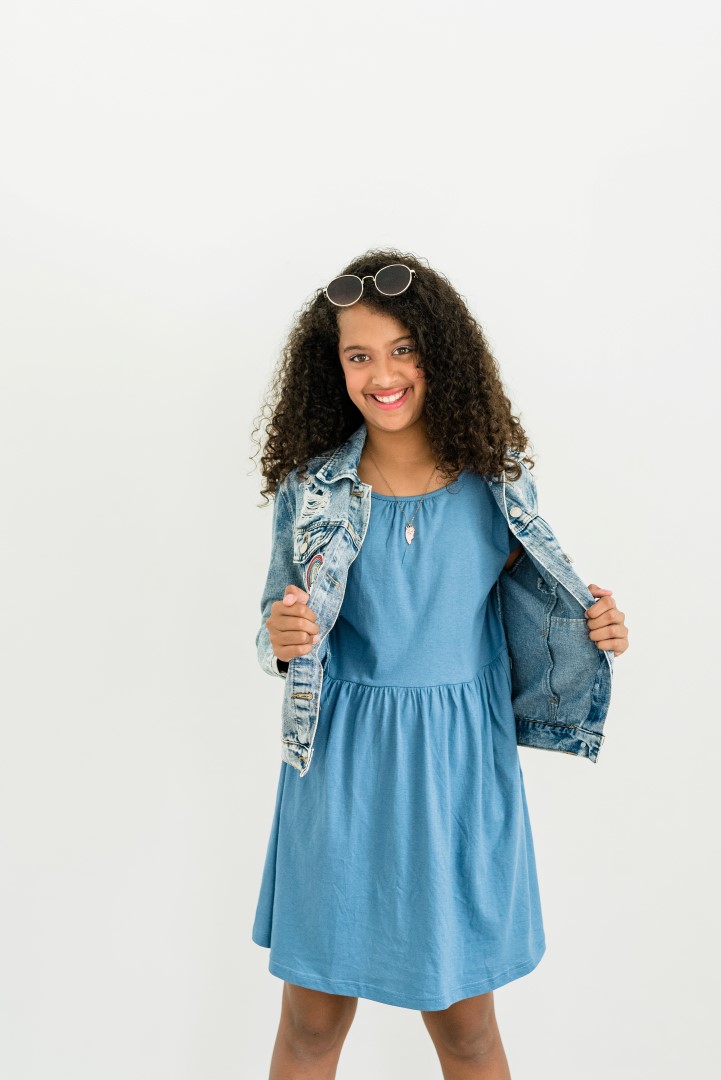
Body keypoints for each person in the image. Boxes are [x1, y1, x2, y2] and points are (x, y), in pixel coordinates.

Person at [249, 249, 629, 1080]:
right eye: (358, 355)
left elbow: (548, 606)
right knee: (311, 1022)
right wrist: (281, 637)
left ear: (440, 358)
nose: (382, 374)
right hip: (340, 770)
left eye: (403, 351)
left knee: (465, 1028)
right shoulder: (313, 490)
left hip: (459, 771)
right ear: (333, 368)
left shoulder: (496, 484)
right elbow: (277, 625)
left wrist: (596, 627)